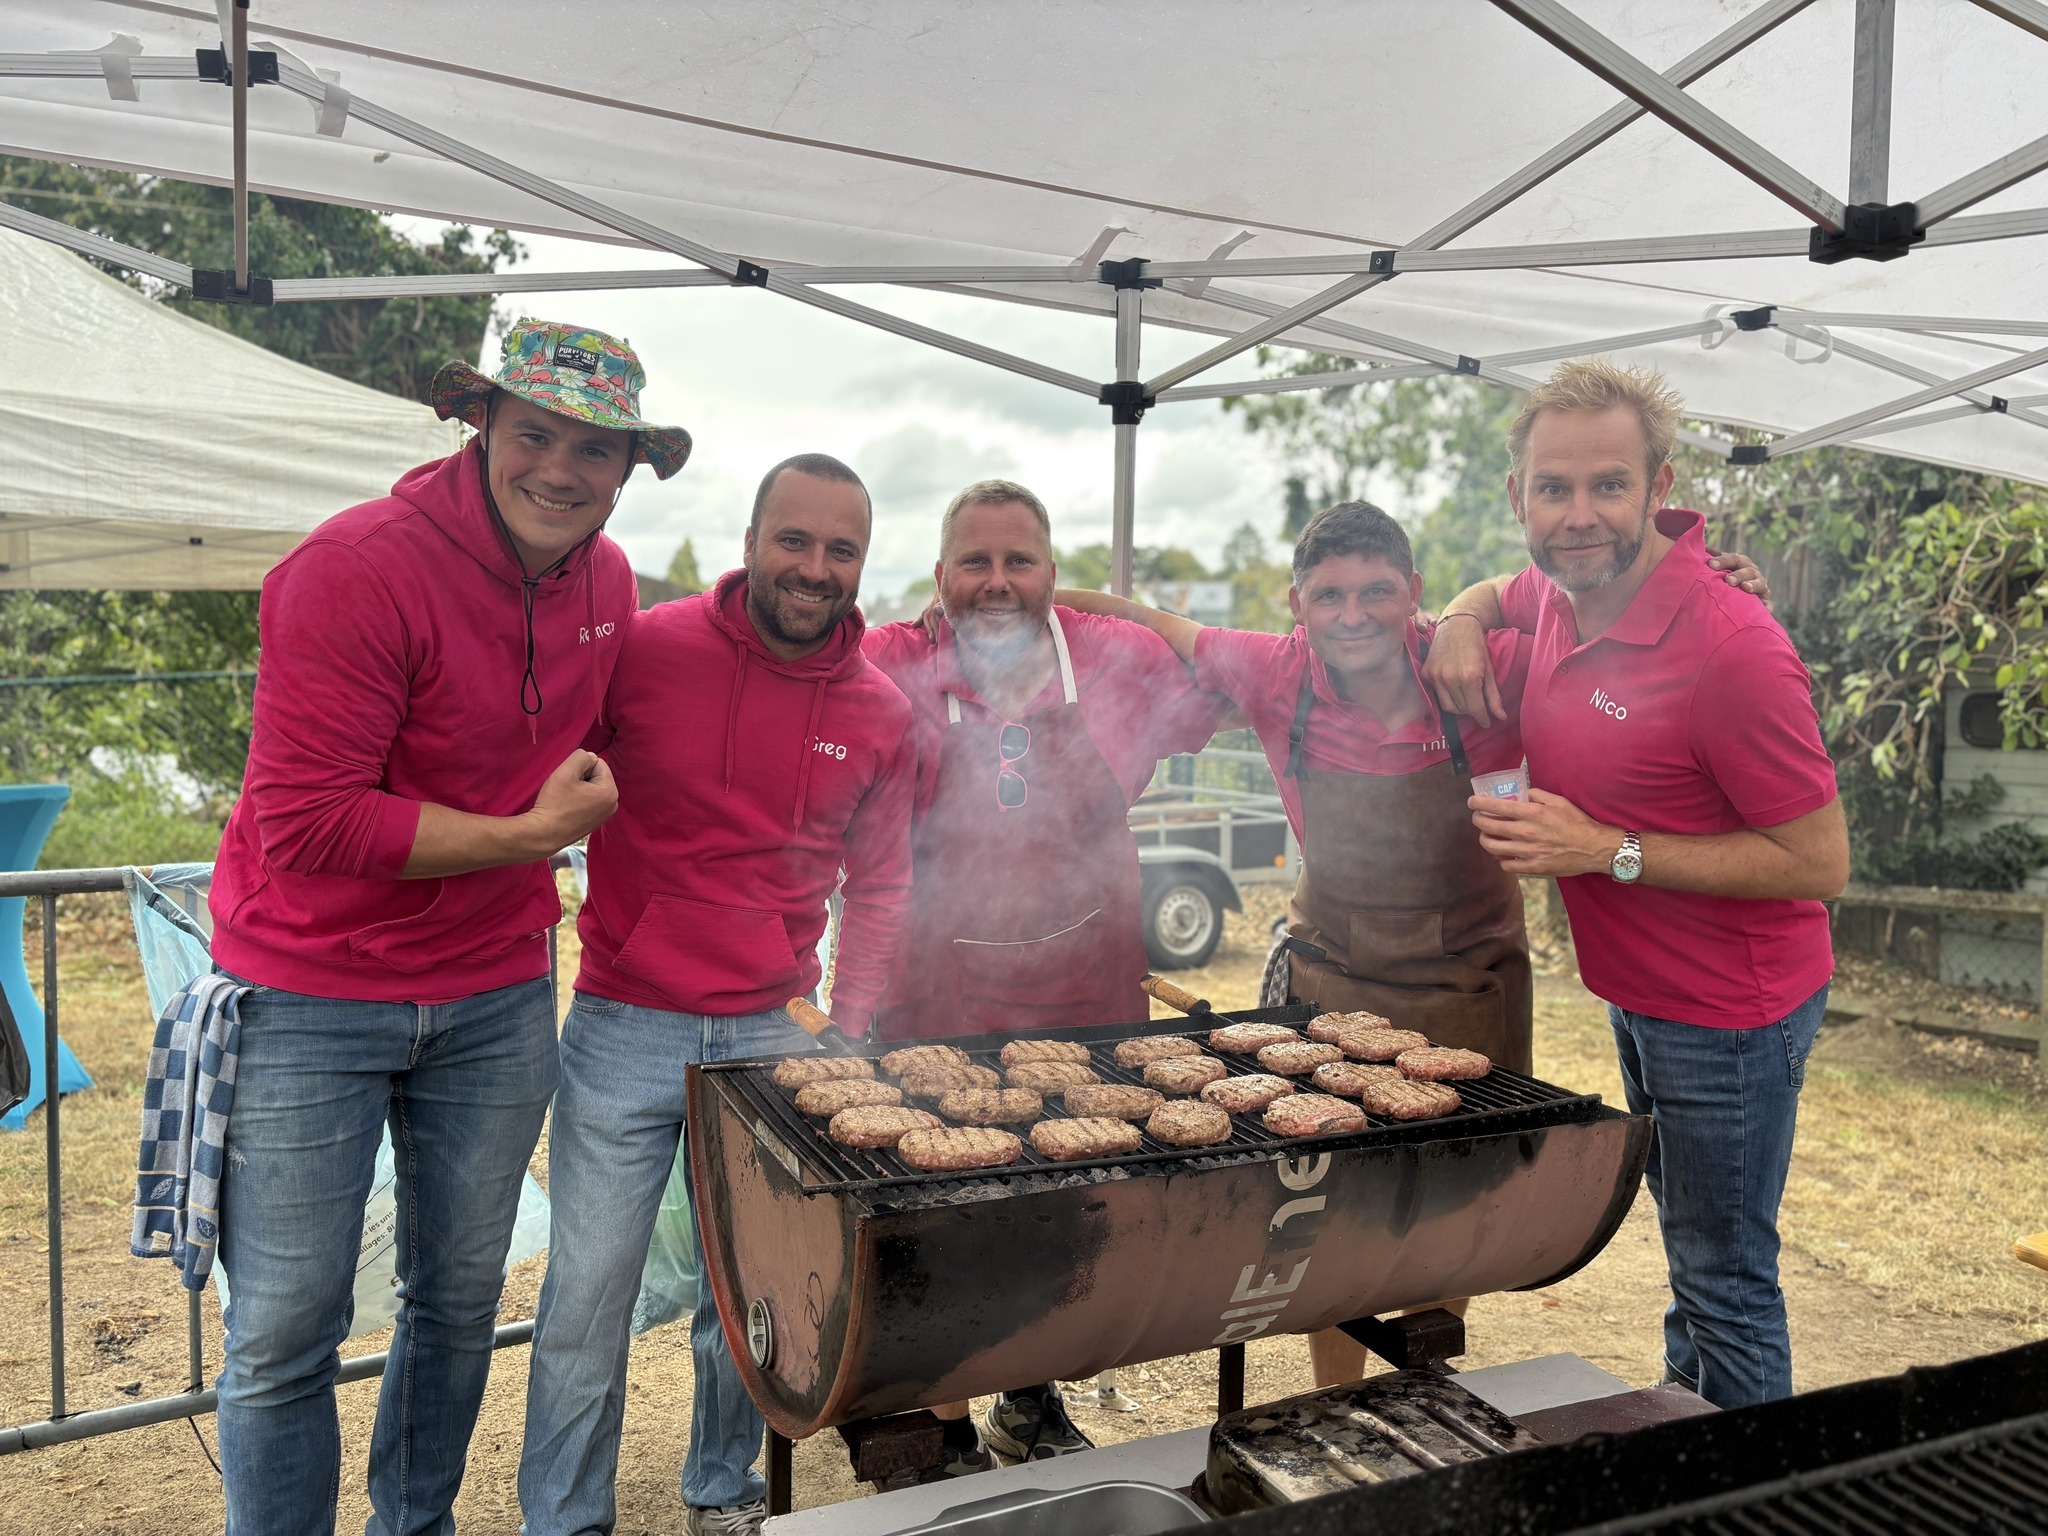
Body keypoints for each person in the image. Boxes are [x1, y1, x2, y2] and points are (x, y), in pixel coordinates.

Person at [206, 319, 687, 1535]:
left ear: (629, 467)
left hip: (492, 988)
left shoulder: (609, 582)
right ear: (478, 425)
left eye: (595, 448)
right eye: (535, 434)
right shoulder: (353, 569)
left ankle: (413, 1526)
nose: (560, 470)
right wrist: (528, 839)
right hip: (310, 986)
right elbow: (307, 822)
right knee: (285, 1327)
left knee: (460, 1301)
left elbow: (610, 741)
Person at [1423, 358, 1849, 1409]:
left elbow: (1817, 860)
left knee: (1724, 1279)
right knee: (1689, 1240)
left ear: (1658, 487)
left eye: (1608, 485)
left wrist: (1602, 849)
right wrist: (1460, 619)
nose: (1579, 514)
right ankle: (1682, 1417)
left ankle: (1751, 1482)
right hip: (1643, 992)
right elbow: (1499, 589)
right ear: (1516, 496)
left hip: (1729, 1012)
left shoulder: (1732, 646)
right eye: (1553, 488)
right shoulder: (1562, 592)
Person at [519, 454, 916, 1536]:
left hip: (772, 1034)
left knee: (751, 1292)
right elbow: (544, 775)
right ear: (748, 543)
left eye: (841, 549)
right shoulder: (644, 650)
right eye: (794, 539)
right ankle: (564, 1519)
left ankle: (723, 1489)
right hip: (623, 1022)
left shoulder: (879, 712)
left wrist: (851, 1024)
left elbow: (882, 884)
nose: (814, 567)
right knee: (586, 1298)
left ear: (861, 565)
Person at [1060, 500, 1535, 1388]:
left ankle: (1421, 1385)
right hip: (1334, 976)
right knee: (1338, 1212)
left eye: (1376, 592)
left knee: (1453, 1201)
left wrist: (1476, 610)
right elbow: (1148, 621)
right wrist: (1013, 598)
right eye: (1330, 596)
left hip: (1469, 979)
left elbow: (1575, 603)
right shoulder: (1277, 670)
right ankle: (1337, 1396)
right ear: (1297, 606)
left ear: (1415, 593)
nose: (1353, 616)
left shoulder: (1476, 665)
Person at [862, 478, 1231, 1466]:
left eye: (1018, 562)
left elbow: (1242, 679)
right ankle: (936, 1421)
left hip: (1086, 980)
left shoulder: (1114, 656)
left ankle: (1028, 1397)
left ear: (1052, 575)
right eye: (974, 563)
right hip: (936, 983)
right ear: (938, 576)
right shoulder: (892, 661)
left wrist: (1117, 605)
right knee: (940, 1204)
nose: (996, 581)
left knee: (1065, 1201)